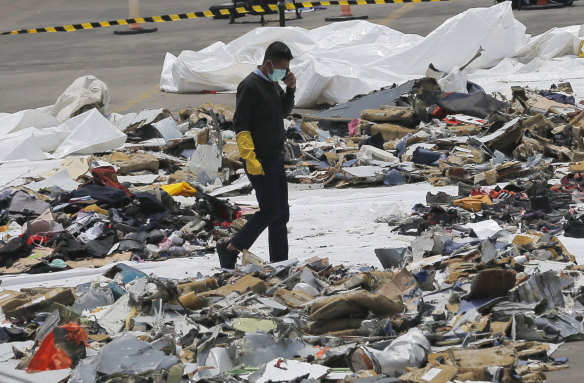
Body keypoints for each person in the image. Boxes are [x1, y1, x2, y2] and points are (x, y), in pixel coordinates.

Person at [216, 41, 296, 269]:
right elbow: (240, 124)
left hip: (275, 156)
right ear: (268, 63)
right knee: (270, 211)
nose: (284, 73)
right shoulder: (249, 86)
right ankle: (231, 247)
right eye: (282, 68)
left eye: (287, 70)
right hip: (259, 159)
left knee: (281, 214)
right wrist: (249, 157)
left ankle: (280, 263)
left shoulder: (272, 83)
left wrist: (290, 89)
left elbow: (283, 111)